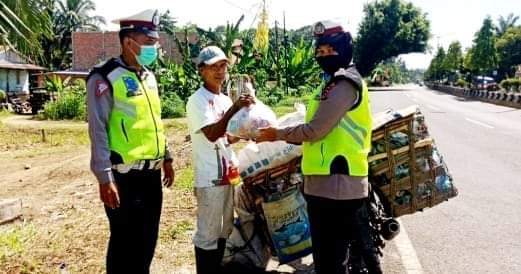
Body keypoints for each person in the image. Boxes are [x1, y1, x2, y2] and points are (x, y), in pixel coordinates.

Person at [255, 20, 382, 274]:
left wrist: (275, 134)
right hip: (325, 184)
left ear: (344, 49)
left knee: (330, 262)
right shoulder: (330, 83)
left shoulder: (345, 84)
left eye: (330, 50)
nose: (323, 56)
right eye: (320, 52)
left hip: (337, 185)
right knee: (329, 259)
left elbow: (315, 130)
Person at [86, 9, 174, 274]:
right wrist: (104, 178)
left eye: (155, 42)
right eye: (149, 42)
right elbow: (98, 129)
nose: (154, 48)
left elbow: (153, 121)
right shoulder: (104, 76)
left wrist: (167, 157)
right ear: (128, 42)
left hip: (151, 176)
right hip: (124, 177)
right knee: (125, 245)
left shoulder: (149, 77)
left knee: (147, 243)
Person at [186, 46, 254, 274]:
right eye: (213, 66)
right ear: (201, 70)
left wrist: (253, 131)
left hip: (228, 175)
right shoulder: (197, 100)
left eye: (223, 66)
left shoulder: (223, 99)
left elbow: (228, 137)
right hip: (210, 178)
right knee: (208, 234)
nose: (219, 71)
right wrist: (235, 107)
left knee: (224, 230)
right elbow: (213, 133)